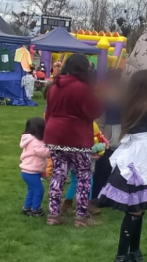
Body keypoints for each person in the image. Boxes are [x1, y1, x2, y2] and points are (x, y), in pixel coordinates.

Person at [98, 69, 147, 262]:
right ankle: (122, 255)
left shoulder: (130, 104)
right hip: (146, 157)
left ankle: (134, 252)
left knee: (137, 208)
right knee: (136, 209)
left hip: (132, 152)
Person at [44, 53, 103, 227]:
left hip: (55, 135)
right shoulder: (82, 88)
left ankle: (53, 215)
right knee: (84, 176)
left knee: (58, 175)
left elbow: (49, 113)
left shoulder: (54, 86)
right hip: (76, 137)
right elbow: (95, 111)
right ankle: (81, 217)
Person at [93, 70, 123, 207]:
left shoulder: (124, 99)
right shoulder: (103, 100)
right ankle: (98, 196)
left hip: (116, 140)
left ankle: (105, 196)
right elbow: (99, 122)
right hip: (109, 140)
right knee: (104, 170)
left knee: (112, 171)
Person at [20, 117, 51, 217]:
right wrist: (52, 149)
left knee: (32, 190)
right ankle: (36, 210)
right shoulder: (34, 141)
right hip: (31, 172)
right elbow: (43, 152)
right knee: (38, 190)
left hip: (29, 171)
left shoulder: (30, 139)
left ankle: (27, 208)